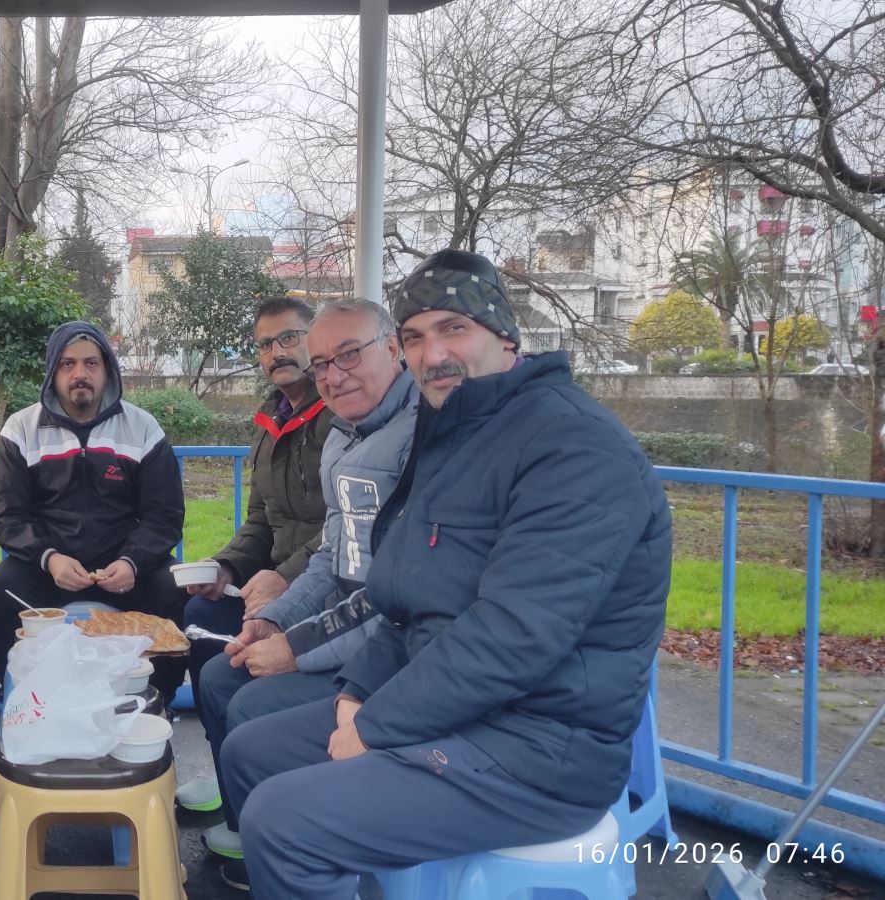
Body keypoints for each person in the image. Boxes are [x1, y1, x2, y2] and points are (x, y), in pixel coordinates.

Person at [220, 250, 672, 896]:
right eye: (415, 336)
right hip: (454, 712)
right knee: (250, 752)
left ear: (504, 334)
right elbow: (401, 596)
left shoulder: (575, 447)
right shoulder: (453, 436)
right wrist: (357, 690)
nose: (432, 354)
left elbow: (512, 637)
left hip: (537, 752)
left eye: (453, 328)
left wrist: (374, 726)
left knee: (282, 822)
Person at [191, 299, 418, 863]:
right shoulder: (332, 432)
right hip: (321, 605)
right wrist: (257, 599)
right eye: (324, 363)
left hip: (390, 646)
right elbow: (314, 545)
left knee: (249, 708)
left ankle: (283, 837)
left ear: (393, 348)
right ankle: (245, 820)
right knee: (216, 664)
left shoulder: (418, 436)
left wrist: (292, 637)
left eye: (349, 355)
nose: (334, 375)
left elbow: (388, 593)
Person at [175, 295, 336, 815]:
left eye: (289, 338)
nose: (276, 352)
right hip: (280, 583)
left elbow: (349, 526)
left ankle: (258, 793)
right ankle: (229, 778)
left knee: (230, 673)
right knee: (200, 612)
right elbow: (261, 521)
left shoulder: (341, 415)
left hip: (325, 589)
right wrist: (226, 567)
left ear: (316, 341)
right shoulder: (270, 423)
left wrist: (284, 578)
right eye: (265, 344)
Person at [0, 321, 187, 703]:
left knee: (175, 591)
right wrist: (49, 558)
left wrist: (132, 562)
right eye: (68, 364)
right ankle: (19, 696)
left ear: (107, 369)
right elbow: (7, 513)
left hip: (126, 567)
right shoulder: (21, 429)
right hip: (46, 568)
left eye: (91, 363)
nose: (80, 374)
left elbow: (164, 514)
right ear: (52, 372)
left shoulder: (142, 427)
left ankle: (156, 699)